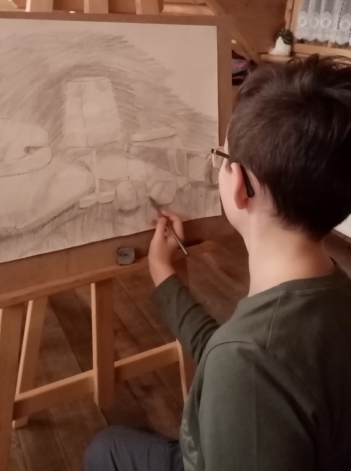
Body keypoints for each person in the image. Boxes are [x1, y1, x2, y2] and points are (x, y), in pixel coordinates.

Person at [84, 55, 351, 471]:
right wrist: (163, 274)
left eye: (221, 157)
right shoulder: (330, 292)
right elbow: (233, 351)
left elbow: (244, 361)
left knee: (106, 451)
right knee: (114, 443)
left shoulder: (249, 363)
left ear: (240, 184)